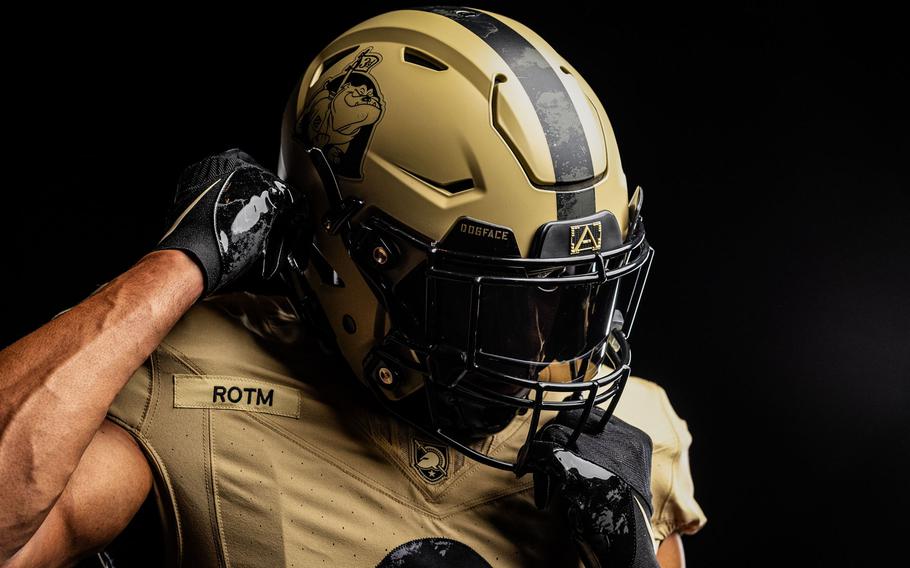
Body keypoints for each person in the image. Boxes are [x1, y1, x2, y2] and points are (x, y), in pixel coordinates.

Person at [0, 7, 705, 568]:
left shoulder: (627, 437)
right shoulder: (195, 382)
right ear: (363, 258)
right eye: (497, 302)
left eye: (569, 296)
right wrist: (179, 265)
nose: (546, 349)